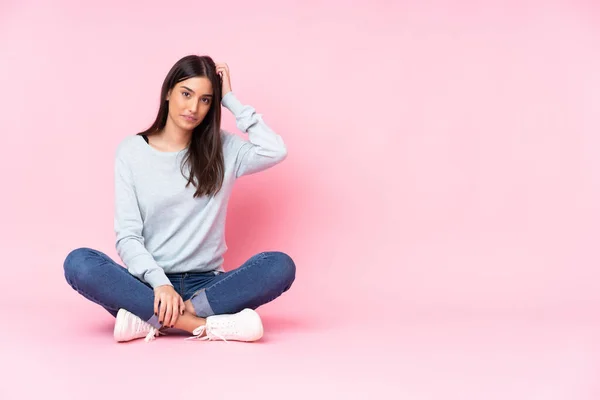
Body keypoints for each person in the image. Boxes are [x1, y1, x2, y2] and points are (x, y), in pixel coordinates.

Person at [63, 55, 296, 343]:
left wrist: (231, 100)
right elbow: (128, 236)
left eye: (206, 99)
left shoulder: (223, 148)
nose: (194, 107)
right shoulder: (132, 151)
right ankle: (201, 326)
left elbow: (275, 150)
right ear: (168, 92)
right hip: (147, 285)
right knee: (79, 263)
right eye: (186, 94)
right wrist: (160, 284)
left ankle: (151, 320)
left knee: (279, 266)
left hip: (208, 288)